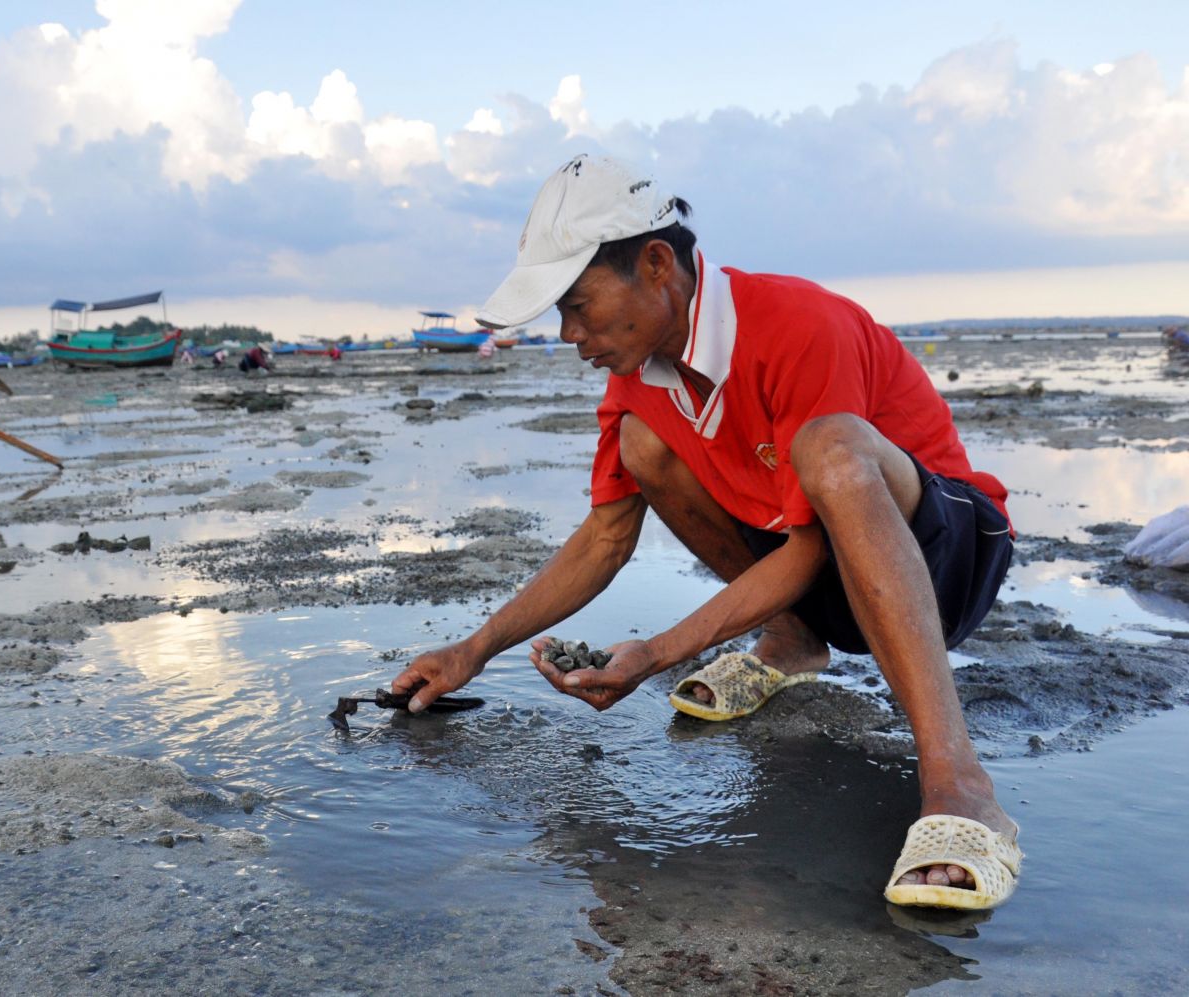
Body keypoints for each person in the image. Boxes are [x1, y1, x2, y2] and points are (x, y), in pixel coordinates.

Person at [390, 154, 1021, 912]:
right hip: (826, 582)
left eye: (578, 304)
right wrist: (472, 650)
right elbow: (604, 539)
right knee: (643, 446)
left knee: (831, 451)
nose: (567, 333)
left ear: (657, 264)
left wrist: (655, 653)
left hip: (947, 561)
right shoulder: (635, 382)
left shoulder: (797, 324)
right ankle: (792, 641)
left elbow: (815, 543)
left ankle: (959, 782)